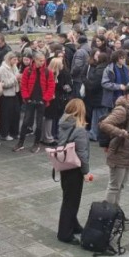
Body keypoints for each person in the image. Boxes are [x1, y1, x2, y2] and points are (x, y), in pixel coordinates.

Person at [98, 86, 129, 210]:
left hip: (128, 154)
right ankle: (107, 214)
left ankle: (115, 211)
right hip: (119, 152)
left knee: (120, 185)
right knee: (114, 186)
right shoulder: (122, 110)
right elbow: (104, 124)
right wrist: (119, 132)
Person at [55, 99, 90, 244]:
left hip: (64, 165)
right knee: (71, 202)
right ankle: (65, 234)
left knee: (68, 198)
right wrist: (86, 172)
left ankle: (74, 225)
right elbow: (82, 153)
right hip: (75, 168)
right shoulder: (79, 129)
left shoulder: (63, 123)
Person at [17, 51, 56, 152]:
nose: (42, 62)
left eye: (43, 60)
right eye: (40, 61)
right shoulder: (27, 70)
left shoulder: (48, 72)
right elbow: (23, 84)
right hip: (30, 100)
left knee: (39, 124)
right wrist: (26, 97)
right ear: (35, 60)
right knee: (25, 122)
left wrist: (45, 99)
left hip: (41, 102)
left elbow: (51, 87)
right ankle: (20, 142)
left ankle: (36, 144)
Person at [0, 52, 21, 142]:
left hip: (14, 93)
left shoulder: (14, 67)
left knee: (16, 114)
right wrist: (16, 78)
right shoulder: (2, 69)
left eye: (16, 59)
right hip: (6, 95)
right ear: (9, 59)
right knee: (5, 115)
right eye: (14, 59)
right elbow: (4, 84)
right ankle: (4, 133)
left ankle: (14, 132)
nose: (16, 61)